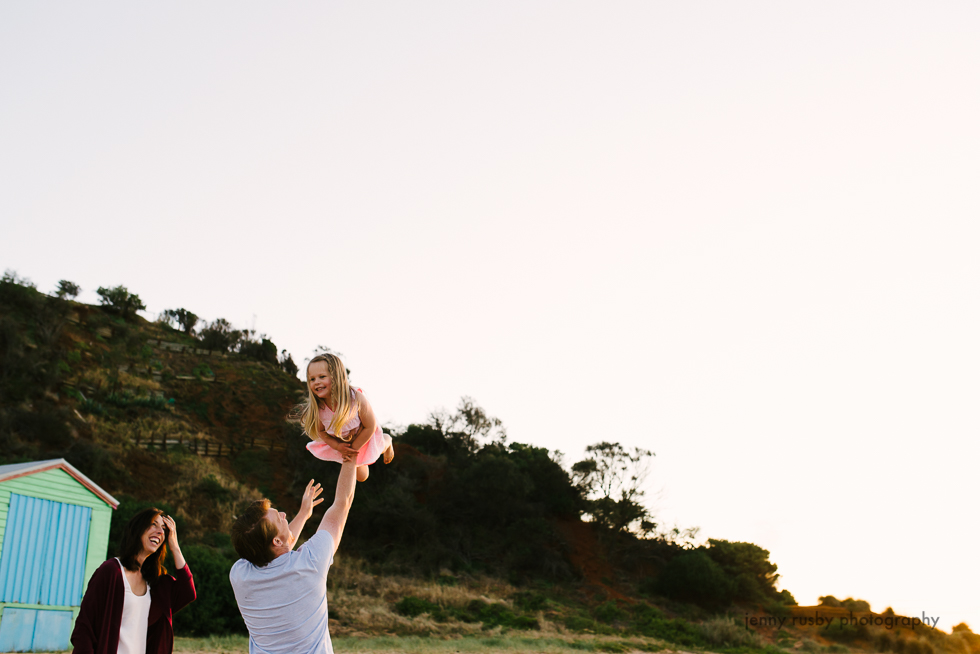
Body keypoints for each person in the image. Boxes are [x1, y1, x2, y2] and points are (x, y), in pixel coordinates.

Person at [229, 461, 357, 654]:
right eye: (279, 518)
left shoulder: (239, 575)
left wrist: (304, 514)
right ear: (276, 542)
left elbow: (280, 547)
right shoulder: (311, 563)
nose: (283, 514)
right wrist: (350, 456)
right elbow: (342, 503)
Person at [71, 508, 196, 654]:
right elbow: (84, 627)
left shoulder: (155, 583)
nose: (160, 531)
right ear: (138, 529)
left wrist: (174, 545)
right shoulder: (111, 571)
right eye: (153, 524)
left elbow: (188, 592)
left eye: (163, 528)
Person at [296, 352, 394, 482]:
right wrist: (337, 446)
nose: (316, 382)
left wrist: (354, 449)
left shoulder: (356, 399)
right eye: (312, 379)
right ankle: (361, 460)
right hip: (342, 442)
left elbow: (370, 426)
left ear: (336, 377)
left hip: (364, 435)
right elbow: (321, 432)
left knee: (379, 445)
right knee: (362, 477)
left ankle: (387, 441)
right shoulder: (319, 408)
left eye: (322, 376)